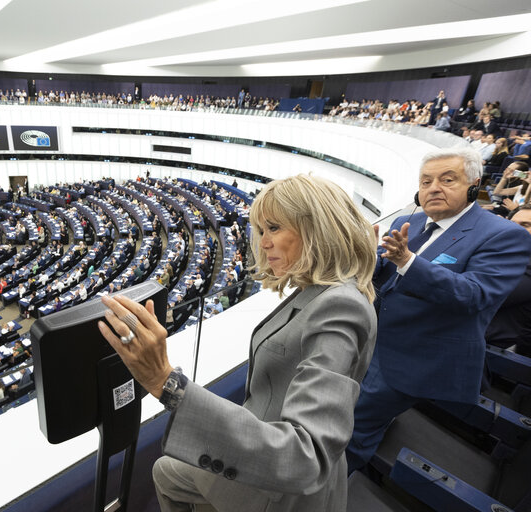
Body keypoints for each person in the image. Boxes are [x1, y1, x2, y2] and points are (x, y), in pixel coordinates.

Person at [98, 174, 378, 511]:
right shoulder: (320, 292)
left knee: (168, 473)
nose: (263, 243)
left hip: (281, 492)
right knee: (168, 472)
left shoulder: (339, 306)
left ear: (318, 228)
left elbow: (304, 457)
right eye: (261, 231)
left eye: (274, 228)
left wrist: (166, 382)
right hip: (262, 445)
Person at [346, 147, 531, 473]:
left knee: (353, 431)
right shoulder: (408, 221)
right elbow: (383, 273)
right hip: (368, 341)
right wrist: (365, 258)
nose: (434, 188)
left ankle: (321, 491)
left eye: (448, 179)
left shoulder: (507, 236)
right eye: (426, 181)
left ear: (474, 185)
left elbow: (474, 295)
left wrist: (408, 261)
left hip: (413, 358)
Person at [485, 204, 531, 356]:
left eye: (526, 225)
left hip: (495, 356)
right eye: (512, 224)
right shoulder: (508, 255)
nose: (516, 230)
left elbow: (484, 294)